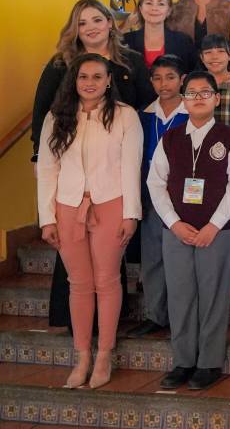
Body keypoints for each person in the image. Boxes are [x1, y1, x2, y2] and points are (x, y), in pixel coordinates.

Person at [31, 0, 150, 330]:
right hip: (71, 172)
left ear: (110, 23)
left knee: (110, 261)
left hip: (116, 165)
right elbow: (43, 114)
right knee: (75, 264)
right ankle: (75, 321)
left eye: (97, 20)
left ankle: (111, 320)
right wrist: (38, 156)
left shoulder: (130, 63)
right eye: (82, 23)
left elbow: (147, 103)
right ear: (75, 29)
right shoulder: (60, 65)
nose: (91, 28)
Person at [37, 54, 143, 389]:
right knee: (79, 283)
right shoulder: (57, 117)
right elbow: (47, 169)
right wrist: (46, 217)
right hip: (67, 206)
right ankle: (82, 354)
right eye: (84, 76)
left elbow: (131, 167)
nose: (90, 83)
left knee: (107, 281)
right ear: (75, 80)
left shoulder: (125, 116)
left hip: (111, 204)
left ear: (109, 80)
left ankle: (104, 355)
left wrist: (131, 213)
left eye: (98, 76)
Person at [149, 71, 230, 391]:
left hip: (216, 233)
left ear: (217, 99)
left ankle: (208, 362)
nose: (197, 98)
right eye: (191, 93)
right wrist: (174, 222)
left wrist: (213, 225)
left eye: (204, 92)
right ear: (183, 99)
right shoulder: (171, 138)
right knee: (180, 296)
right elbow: (155, 183)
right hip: (176, 231)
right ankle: (183, 360)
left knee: (212, 297)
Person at [126, 55, 188, 339]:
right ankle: (155, 314)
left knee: (181, 259)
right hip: (151, 195)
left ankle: (181, 316)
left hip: (185, 197)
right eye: (158, 78)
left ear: (182, 80)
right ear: (151, 81)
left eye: (171, 77)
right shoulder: (142, 116)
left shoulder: (192, 113)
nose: (164, 84)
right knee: (153, 257)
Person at [122, 0, 197, 72]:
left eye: (161, 4)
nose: (154, 8)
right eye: (149, 3)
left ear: (168, 11)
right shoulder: (125, 41)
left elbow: (192, 74)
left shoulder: (183, 41)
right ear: (140, 9)